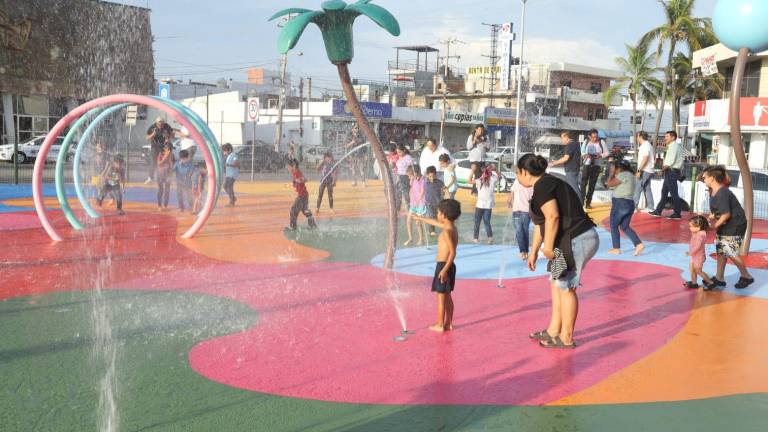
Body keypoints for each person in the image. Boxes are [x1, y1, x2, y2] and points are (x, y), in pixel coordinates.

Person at [518, 154, 599, 349]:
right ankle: (554, 330)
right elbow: (541, 223)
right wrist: (534, 250)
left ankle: (567, 338)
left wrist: (547, 246)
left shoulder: (544, 186)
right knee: (556, 283)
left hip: (576, 239)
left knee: (566, 286)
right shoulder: (545, 185)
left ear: (525, 173)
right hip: (566, 240)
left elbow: (553, 216)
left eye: (517, 173)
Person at [702, 166, 754, 289]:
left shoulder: (722, 193)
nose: (703, 178)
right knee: (721, 250)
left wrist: (713, 226)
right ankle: (719, 278)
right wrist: (713, 215)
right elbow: (721, 210)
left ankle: (746, 276)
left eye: (705, 177)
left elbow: (726, 214)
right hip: (727, 223)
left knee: (729, 251)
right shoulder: (714, 191)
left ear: (713, 178)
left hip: (735, 223)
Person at [414, 199, 461, 332]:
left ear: (444, 215)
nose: (437, 215)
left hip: (443, 266)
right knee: (447, 296)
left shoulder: (446, 232)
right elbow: (434, 222)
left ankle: (440, 324)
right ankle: (448, 323)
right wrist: (420, 218)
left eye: (438, 213)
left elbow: (453, 252)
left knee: (440, 298)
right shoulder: (451, 227)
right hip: (449, 266)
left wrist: (444, 270)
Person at [606, 160, 645, 256]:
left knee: (614, 225)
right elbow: (610, 185)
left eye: (615, 168)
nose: (614, 170)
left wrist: (611, 174)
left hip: (620, 203)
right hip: (629, 204)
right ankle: (638, 244)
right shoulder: (631, 176)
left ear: (619, 168)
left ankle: (616, 248)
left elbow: (609, 184)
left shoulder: (623, 174)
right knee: (624, 226)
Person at [649, 131, 683, 219]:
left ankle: (677, 213)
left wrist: (662, 170)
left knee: (674, 193)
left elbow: (670, 162)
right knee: (664, 192)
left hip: (671, 171)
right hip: (670, 171)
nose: (665, 138)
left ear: (673, 137)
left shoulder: (673, 147)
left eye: (667, 136)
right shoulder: (673, 146)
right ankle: (658, 211)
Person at [286, 159, 317, 230]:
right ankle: (313, 225)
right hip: (304, 195)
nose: (288, 168)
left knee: (293, 210)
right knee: (305, 210)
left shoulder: (297, 172)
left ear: (293, 166)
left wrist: (299, 180)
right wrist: (295, 182)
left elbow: (305, 179)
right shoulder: (295, 173)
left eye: (288, 167)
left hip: (302, 196)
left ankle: (293, 227)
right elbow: (297, 182)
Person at [580, 129, 608, 209]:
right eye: (593, 137)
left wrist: (600, 156)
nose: (595, 139)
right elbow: (582, 152)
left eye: (596, 137)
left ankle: (588, 203)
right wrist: (585, 155)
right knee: (583, 184)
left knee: (592, 185)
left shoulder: (601, 142)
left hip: (596, 165)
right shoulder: (586, 142)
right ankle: (581, 202)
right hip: (587, 165)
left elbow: (607, 153)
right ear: (589, 136)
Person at [549, 131, 582, 199]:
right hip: (575, 169)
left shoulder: (570, 145)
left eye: (562, 138)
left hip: (571, 170)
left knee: (574, 189)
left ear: (566, 137)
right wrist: (557, 161)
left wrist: (553, 163)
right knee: (570, 189)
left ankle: (580, 206)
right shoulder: (576, 144)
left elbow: (566, 158)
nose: (561, 140)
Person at [507, 177, 533, 259]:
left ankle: (525, 251)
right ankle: (523, 251)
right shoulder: (518, 180)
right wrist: (509, 200)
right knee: (519, 231)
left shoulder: (531, 182)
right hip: (517, 210)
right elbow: (512, 192)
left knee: (524, 231)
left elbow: (533, 197)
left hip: (526, 210)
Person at [473, 164, 499, 245]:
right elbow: (499, 176)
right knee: (486, 222)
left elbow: (469, 181)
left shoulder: (482, 180)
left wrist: (472, 171)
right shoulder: (489, 179)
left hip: (482, 205)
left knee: (479, 222)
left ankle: (476, 238)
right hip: (485, 205)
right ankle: (489, 238)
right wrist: (495, 169)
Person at [685, 215, 714, 289]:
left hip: (698, 256)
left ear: (698, 227)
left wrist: (690, 252)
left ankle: (710, 282)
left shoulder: (699, 236)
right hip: (694, 256)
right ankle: (694, 282)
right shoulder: (697, 232)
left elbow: (697, 247)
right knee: (692, 269)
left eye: (691, 226)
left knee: (698, 270)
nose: (689, 228)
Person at [145, 117, 175, 184]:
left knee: (165, 162)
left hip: (164, 147)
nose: (160, 126)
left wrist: (169, 138)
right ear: (156, 123)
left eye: (162, 124)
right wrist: (153, 134)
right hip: (155, 147)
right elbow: (146, 138)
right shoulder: (152, 127)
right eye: (159, 124)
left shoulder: (166, 126)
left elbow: (173, 134)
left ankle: (164, 177)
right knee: (153, 162)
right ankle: (150, 177)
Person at [404, 165, 426, 246]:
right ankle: (410, 238)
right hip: (413, 203)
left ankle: (421, 238)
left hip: (420, 204)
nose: (409, 177)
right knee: (408, 220)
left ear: (415, 173)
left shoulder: (422, 180)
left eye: (410, 175)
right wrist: (411, 180)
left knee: (418, 222)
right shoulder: (413, 180)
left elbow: (423, 191)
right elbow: (411, 186)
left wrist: (418, 201)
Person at [633, 131, 656, 212]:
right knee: (647, 188)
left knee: (638, 187)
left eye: (637, 136)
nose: (636, 138)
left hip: (645, 170)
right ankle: (650, 207)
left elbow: (645, 158)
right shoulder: (648, 145)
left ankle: (634, 207)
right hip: (649, 170)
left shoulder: (645, 146)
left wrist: (639, 170)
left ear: (640, 136)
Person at [424, 166, 445, 236]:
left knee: (440, 217)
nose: (432, 178)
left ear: (436, 175)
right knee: (432, 216)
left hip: (438, 203)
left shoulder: (439, 182)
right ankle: (431, 231)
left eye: (433, 176)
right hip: (429, 203)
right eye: (430, 176)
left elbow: (443, 191)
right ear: (427, 175)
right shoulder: (425, 182)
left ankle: (444, 229)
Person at [155, 141, 174, 211]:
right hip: (160, 174)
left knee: (167, 190)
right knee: (160, 190)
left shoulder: (172, 155)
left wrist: (171, 175)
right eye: (168, 149)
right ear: (165, 148)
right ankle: (159, 205)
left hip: (168, 174)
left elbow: (172, 166)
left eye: (170, 149)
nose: (169, 151)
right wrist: (165, 157)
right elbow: (159, 164)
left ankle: (165, 205)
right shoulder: (161, 154)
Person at [394, 145, 414, 212]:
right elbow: (399, 169)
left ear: (404, 151)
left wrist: (411, 178)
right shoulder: (399, 157)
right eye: (397, 152)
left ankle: (409, 209)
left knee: (406, 193)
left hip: (406, 177)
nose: (398, 154)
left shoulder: (408, 158)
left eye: (399, 152)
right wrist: (397, 178)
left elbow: (411, 168)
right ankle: (397, 208)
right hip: (400, 176)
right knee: (397, 192)